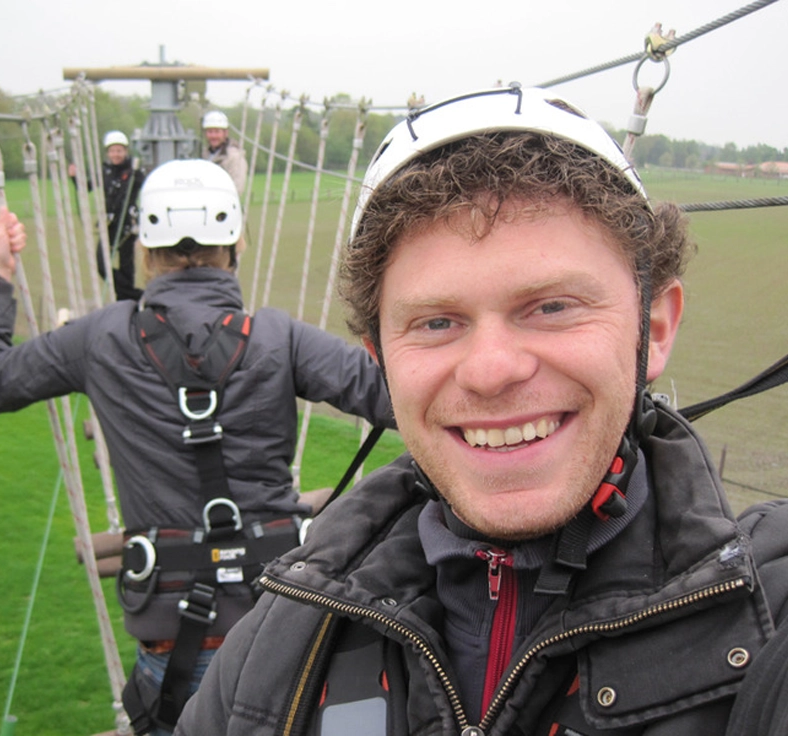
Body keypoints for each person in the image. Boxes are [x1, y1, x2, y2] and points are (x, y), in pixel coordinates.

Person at [174, 85, 788, 735]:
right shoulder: (281, 646)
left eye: (552, 307)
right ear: (382, 360)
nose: (491, 371)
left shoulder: (766, 621)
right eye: (437, 322)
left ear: (654, 329)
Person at [0, 158, 392, 735]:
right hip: (279, 621)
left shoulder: (101, 337)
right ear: (237, 242)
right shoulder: (279, 338)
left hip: (170, 639)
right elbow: (402, 399)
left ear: (142, 250)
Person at [69, 129, 145, 301]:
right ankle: (132, 294)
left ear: (125, 151)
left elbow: (145, 184)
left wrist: (138, 171)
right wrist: (75, 177)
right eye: (112, 151)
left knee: (127, 268)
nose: (115, 154)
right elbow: (85, 187)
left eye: (119, 150)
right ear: (108, 153)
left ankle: (125, 300)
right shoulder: (105, 171)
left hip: (127, 226)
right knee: (102, 265)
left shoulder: (133, 171)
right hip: (109, 224)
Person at [200, 110, 248, 196]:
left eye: (217, 132)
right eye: (210, 132)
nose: (213, 136)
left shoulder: (234, 157)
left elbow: (237, 188)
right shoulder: (204, 155)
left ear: (225, 133)